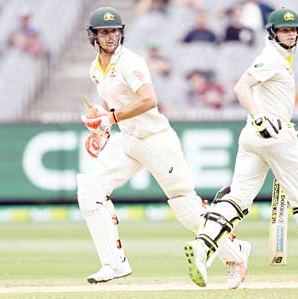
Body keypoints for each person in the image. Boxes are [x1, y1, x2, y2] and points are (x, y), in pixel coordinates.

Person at [183, 8, 298, 288]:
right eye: (283, 30)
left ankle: (203, 246)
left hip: (252, 137)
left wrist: (257, 119)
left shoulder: (281, 58)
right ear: (271, 33)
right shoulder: (271, 58)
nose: (289, 34)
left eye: (292, 30)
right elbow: (241, 88)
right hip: (274, 133)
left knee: (238, 198)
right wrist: (260, 115)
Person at [78, 7, 251, 289]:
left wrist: (110, 118)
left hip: (156, 139)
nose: (110, 36)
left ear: (121, 32)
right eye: (103, 32)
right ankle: (114, 263)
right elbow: (115, 107)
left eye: (113, 31)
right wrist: (102, 123)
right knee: (90, 191)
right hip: (128, 139)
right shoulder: (95, 69)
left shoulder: (129, 62)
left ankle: (236, 252)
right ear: (93, 36)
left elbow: (148, 100)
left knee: (186, 209)